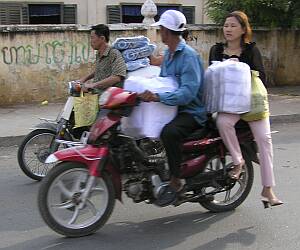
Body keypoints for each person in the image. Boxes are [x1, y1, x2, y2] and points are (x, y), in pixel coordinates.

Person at [209, 11, 283, 208]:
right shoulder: (216, 50)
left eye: (233, 25)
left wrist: (240, 69)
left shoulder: (251, 50)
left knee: (265, 140)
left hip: (251, 103)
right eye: (226, 25)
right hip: (229, 104)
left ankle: (268, 189)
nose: (228, 29)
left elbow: (262, 78)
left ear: (243, 29)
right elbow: (213, 77)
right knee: (223, 122)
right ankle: (238, 160)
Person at [139, 10, 207, 193]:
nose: (160, 32)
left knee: (168, 132)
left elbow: (187, 93)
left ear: (167, 31)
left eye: (161, 29)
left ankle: (176, 179)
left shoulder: (189, 57)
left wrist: (158, 97)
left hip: (191, 112)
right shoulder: (168, 55)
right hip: (174, 108)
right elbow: (163, 82)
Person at [79, 24, 127, 94]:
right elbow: (99, 70)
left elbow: (117, 77)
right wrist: (84, 79)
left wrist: (92, 85)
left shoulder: (114, 53)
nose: (91, 41)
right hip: (97, 92)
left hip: (108, 96)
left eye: (92, 38)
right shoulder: (99, 54)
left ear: (102, 38)